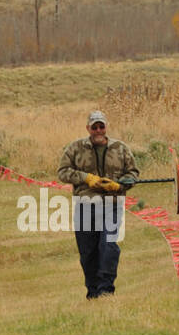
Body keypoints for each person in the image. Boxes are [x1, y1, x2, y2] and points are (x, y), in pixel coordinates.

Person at [55, 111, 140, 299]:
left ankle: (106, 289)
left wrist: (120, 184)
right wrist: (86, 178)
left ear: (106, 127)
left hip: (112, 204)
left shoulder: (121, 148)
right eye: (94, 127)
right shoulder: (75, 148)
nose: (98, 130)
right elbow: (62, 172)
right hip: (85, 205)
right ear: (88, 128)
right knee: (88, 251)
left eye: (101, 126)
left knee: (108, 245)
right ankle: (92, 291)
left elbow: (133, 173)